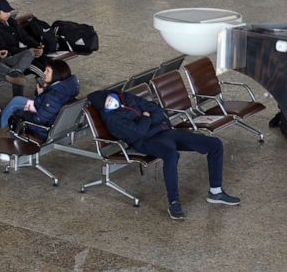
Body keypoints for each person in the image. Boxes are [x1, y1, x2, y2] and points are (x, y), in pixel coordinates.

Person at [91, 89, 240, 220]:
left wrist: (146, 118)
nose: (112, 102)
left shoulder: (126, 97)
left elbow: (157, 110)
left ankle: (215, 192)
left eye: (112, 98)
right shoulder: (111, 118)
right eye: (108, 103)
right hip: (146, 142)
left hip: (165, 131)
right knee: (171, 155)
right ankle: (174, 203)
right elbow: (138, 132)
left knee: (215, 144)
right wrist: (147, 117)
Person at [0, 60, 78, 136]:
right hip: (51, 115)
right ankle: (2, 124)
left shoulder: (53, 96)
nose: (44, 73)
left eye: (48, 71)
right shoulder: (67, 86)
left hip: (43, 130)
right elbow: (50, 107)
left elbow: (39, 119)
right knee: (16, 100)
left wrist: (21, 113)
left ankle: (1, 130)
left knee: (14, 107)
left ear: (56, 74)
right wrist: (42, 93)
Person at [0, 0, 43, 68]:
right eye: (5, 12)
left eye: (9, 12)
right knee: (38, 65)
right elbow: (4, 48)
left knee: (45, 60)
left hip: (22, 50)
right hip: (12, 56)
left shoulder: (10, 21)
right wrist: (28, 51)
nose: (9, 14)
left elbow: (24, 36)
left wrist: (36, 45)